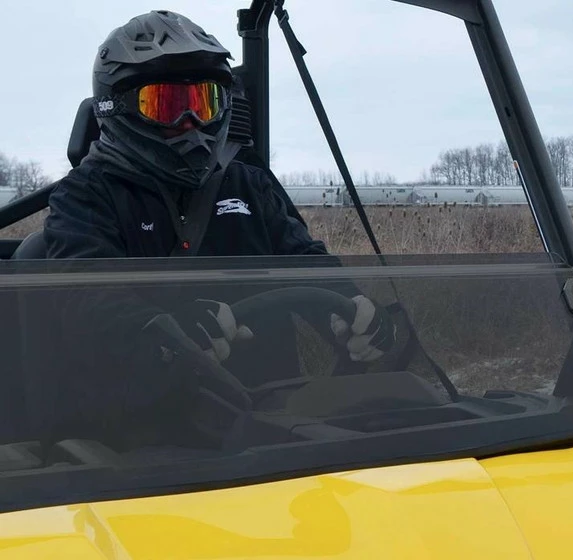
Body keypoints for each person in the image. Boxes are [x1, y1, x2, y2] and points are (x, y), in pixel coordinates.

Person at [40, 10, 395, 445]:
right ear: (119, 107)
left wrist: (354, 314)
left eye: (204, 104)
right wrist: (163, 333)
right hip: (141, 443)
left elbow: (306, 263)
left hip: (272, 428)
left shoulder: (248, 183)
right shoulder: (85, 195)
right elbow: (85, 296)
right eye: (167, 106)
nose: (190, 123)